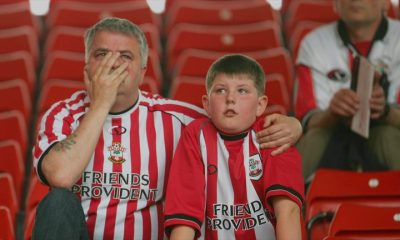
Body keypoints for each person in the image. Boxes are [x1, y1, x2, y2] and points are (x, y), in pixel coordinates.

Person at [32, 17, 303, 240]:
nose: (112, 64)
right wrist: (101, 104)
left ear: (143, 69)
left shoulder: (178, 120)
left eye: (125, 56)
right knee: (57, 203)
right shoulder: (63, 115)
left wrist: (293, 125)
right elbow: (61, 176)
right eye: (101, 55)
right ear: (86, 67)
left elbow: (234, 118)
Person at [164, 54, 304, 240]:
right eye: (221, 90)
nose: (230, 98)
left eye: (243, 91)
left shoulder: (275, 133)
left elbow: (288, 212)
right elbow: (184, 219)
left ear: (260, 105)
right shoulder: (194, 136)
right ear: (206, 104)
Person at [294, 0, 400, 181]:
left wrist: (385, 112)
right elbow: (309, 121)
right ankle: (286, 205)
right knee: (314, 139)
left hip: (388, 134)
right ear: (335, 4)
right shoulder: (314, 43)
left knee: (387, 135)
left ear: (385, 2)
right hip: (333, 134)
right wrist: (333, 113)